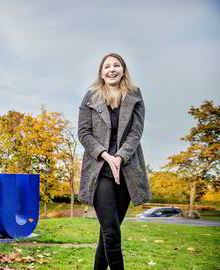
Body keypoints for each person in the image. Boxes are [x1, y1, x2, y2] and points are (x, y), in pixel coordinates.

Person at [77, 53, 151, 269]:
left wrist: (120, 157)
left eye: (116, 65)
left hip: (127, 170)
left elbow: (136, 132)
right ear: (101, 72)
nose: (112, 69)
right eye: (107, 66)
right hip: (100, 171)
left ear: (123, 69)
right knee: (111, 231)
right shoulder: (90, 97)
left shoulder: (135, 95)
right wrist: (107, 156)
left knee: (108, 233)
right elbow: (83, 133)